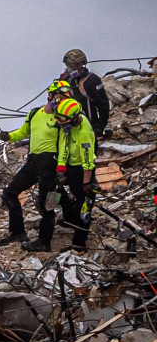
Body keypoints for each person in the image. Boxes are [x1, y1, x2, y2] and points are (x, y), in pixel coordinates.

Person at [0, 87, 61, 252]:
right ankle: (17, 232)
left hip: (51, 161)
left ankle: (44, 241)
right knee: (10, 193)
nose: (60, 102)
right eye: (58, 98)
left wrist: (62, 167)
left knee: (47, 203)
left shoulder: (62, 118)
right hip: (34, 161)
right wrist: (9, 137)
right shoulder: (34, 114)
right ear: (50, 96)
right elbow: (23, 132)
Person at [53, 98, 97, 252]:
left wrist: (86, 183)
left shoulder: (84, 133)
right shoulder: (69, 127)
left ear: (74, 117)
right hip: (71, 167)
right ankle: (69, 217)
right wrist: (61, 166)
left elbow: (88, 160)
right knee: (59, 191)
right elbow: (64, 144)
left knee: (84, 207)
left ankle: (79, 244)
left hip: (83, 171)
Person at [60, 49, 110, 138]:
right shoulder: (66, 81)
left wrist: (99, 128)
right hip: (69, 128)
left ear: (80, 64)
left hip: (88, 127)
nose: (68, 68)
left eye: (71, 66)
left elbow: (103, 106)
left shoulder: (91, 80)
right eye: (67, 66)